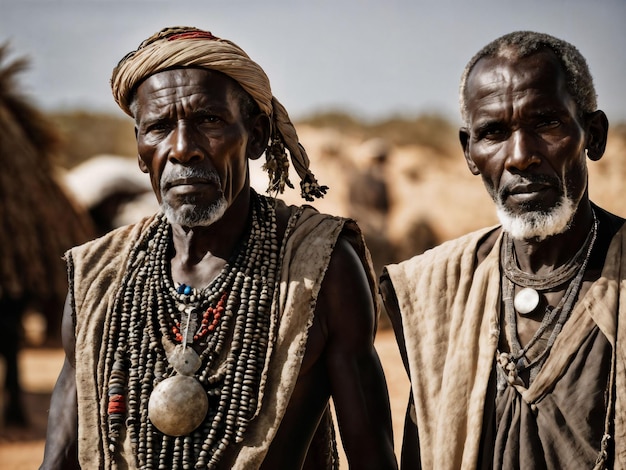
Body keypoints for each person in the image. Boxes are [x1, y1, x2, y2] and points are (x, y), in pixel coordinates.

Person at [41, 26, 397, 470]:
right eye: (158, 128)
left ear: (258, 134)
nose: (183, 149)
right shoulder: (98, 276)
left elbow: (373, 456)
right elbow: (58, 459)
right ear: (138, 149)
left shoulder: (321, 266)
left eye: (208, 121)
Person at [381, 30, 625, 469]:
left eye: (546, 123)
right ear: (470, 153)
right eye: (493, 132)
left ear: (593, 134)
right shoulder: (435, 289)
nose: (519, 156)